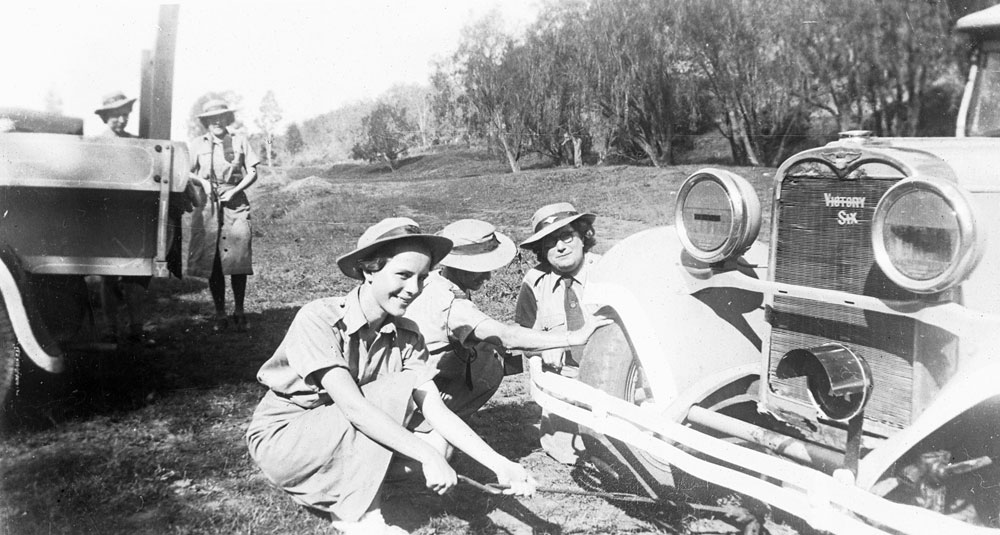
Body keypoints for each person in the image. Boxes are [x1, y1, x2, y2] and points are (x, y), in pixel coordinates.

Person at [246, 218, 536, 535]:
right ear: (369, 270)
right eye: (403, 275)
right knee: (389, 400)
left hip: (348, 432)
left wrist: (499, 464)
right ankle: (359, 517)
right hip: (289, 437)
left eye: (422, 278)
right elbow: (355, 407)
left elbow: (434, 408)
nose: (413, 289)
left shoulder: (408, 335)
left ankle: (345, 488)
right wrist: (424, 455)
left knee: (441, 445)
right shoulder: (321, 318)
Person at [404, 218, 610, 430]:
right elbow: (508, 337)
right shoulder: (451, 304)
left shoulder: (437, 280)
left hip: (418, 379)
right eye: (478, 268)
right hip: (413, 393)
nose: (487, 276)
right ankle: (433, 424)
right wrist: (571, 337)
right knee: (493, 353)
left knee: (489, 350)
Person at [514, 202, 601, 464]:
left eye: (566, 236)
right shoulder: (534, 282)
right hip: (563, 386)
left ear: (584, 236)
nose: (560, 247)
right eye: (550, 242)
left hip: (610, 382)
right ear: (542, 251)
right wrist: (544, 345)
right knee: (568, 452)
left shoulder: (607, 270)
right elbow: (521, 334)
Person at [188, 99, 260, 333]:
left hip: (235, 204)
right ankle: (220, 312)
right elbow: (187, 172)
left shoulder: (239, 141)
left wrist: (235, 191)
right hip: (207, 205)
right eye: (212, 118)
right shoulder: (197, 144)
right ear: (206, 122)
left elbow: (252, 171)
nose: (217, 121)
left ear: (227, 119)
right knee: (213, 260)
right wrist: (203, 184)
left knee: (238, 257)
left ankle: (239, 310)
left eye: (221, 117)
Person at [92, 91, 153, 345]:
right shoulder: (95, 144)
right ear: (106, 117)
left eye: (125, 114)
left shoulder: (136, 143)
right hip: (107, 217)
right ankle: (110, 328)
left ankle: (136, 328)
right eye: (115, 115)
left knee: (135, 276)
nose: (121, 119)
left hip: (131, 218)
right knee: (108, 276)